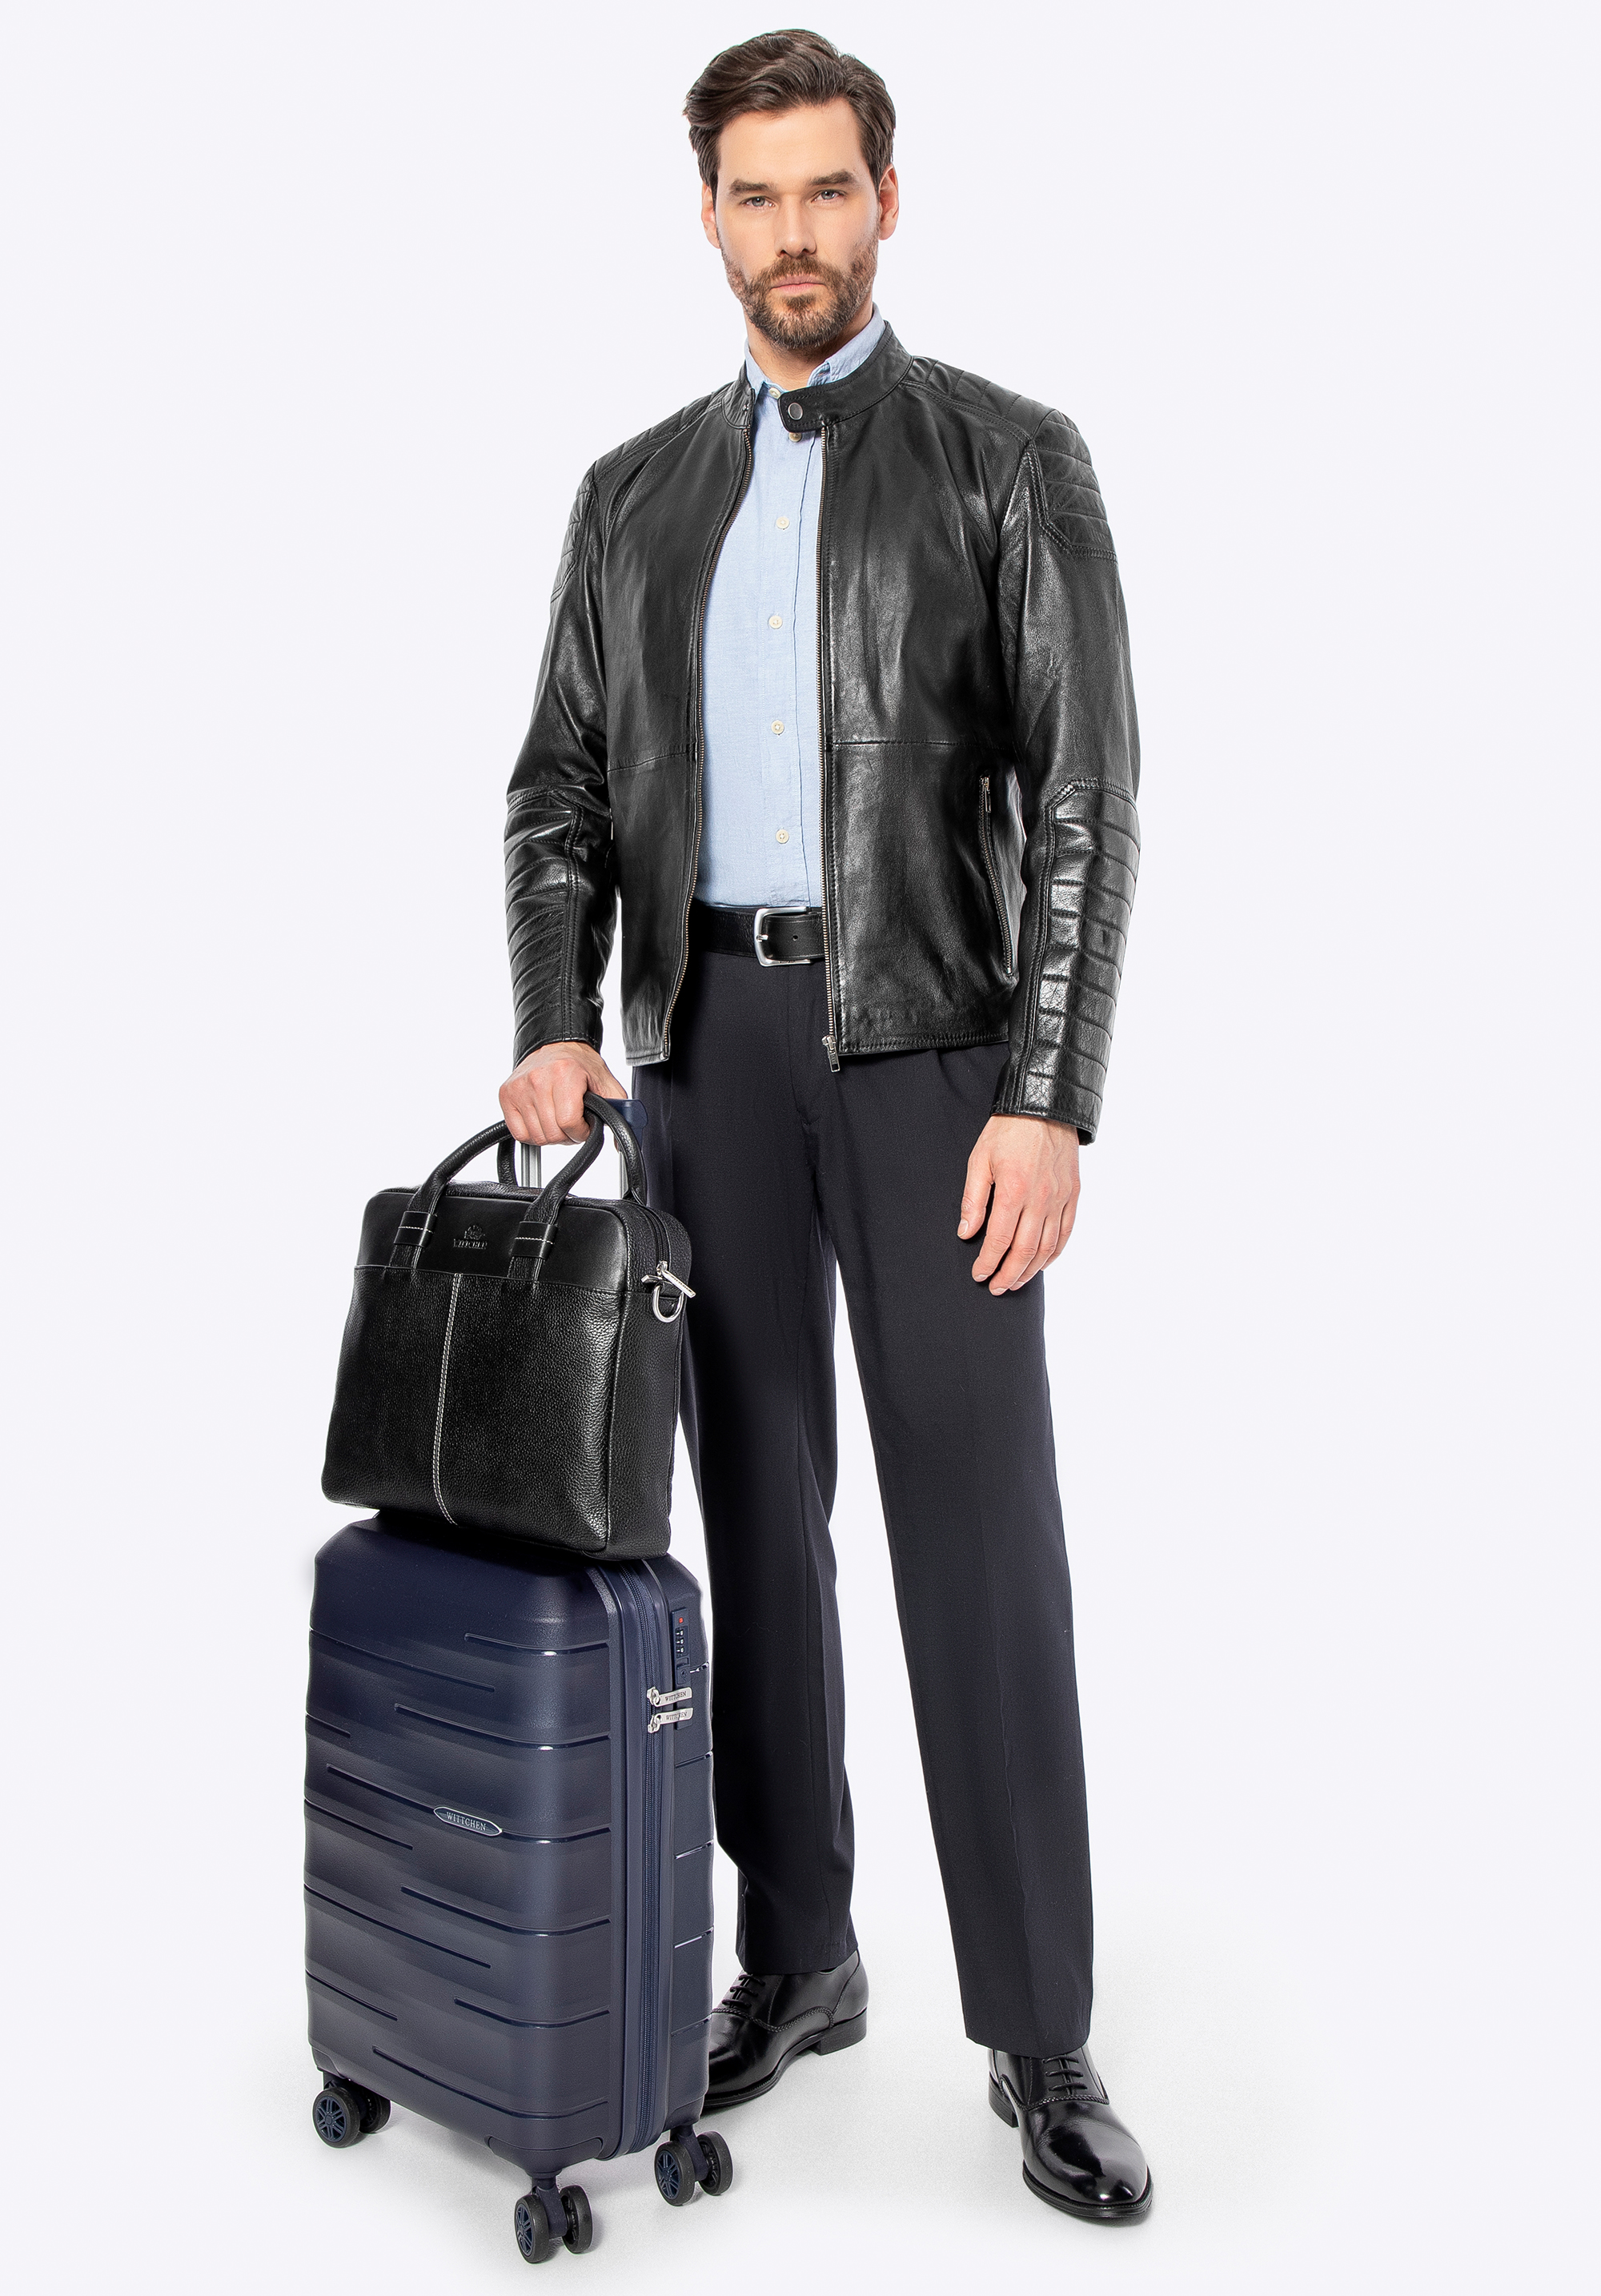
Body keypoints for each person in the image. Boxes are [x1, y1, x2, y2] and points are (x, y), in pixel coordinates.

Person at [498, 29, 1149, 2225]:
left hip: (937, 1056)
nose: (796, 233)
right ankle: (801, 1953)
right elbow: (558, 787)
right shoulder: (630, 497)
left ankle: (1040, 2033)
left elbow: (1087, 796)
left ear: (888, 199)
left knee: (981, 1533)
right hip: (704, 1051)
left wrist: (1050, 1094)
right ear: (708, 215)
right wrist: (555, 1017)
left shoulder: (1008, 461)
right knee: (752, 1519)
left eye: (828, 189)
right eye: (757, 195)